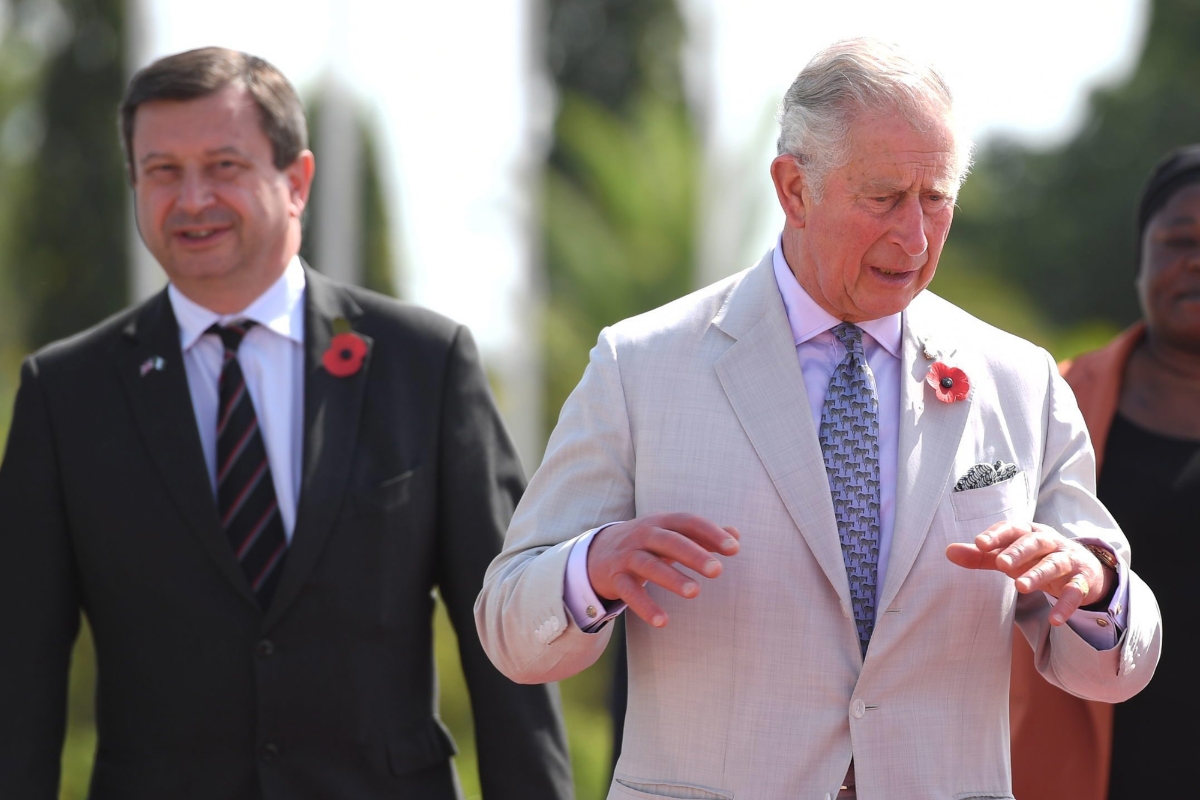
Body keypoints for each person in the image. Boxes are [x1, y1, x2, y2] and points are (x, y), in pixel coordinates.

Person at [475, 37, 1163, 800]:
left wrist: (1098, 590)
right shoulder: (641, 366)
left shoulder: (1021, 382)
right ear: (793, 188)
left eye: (936, 198)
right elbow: (509, 627)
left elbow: (1114, 669)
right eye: (883, 198)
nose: (915, 236)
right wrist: (591, 568)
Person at [0, 47, 573, 800]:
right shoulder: (65, 394)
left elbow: (507, 636)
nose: (192, 197)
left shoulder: (424, 366)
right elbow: (20, 674)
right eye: (162, 171)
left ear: (297, 181)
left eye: (224, 165)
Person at [1010, 143, 1200, 800]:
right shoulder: (1051, 405)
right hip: (1077, 766)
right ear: (1141, 260)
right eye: (1178, 240)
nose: (1196, 260)